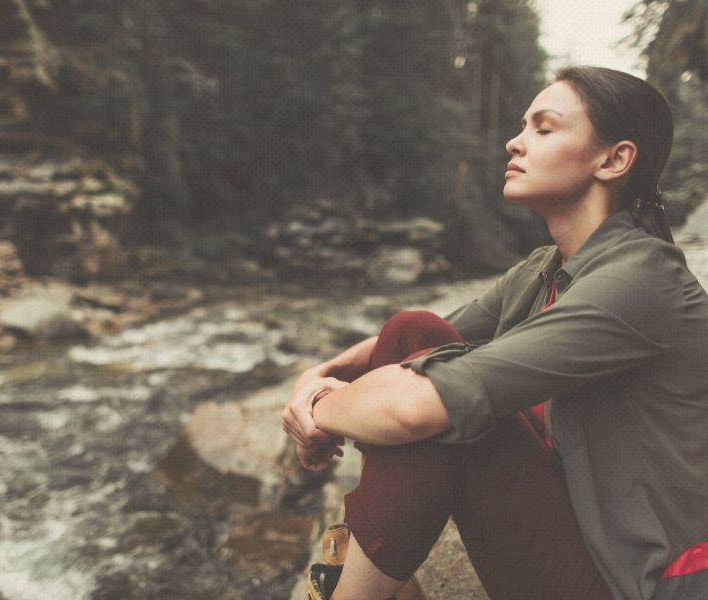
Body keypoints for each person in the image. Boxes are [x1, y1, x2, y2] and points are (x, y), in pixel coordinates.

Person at [282, 66, 708, 600]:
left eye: (544, 128)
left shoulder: (640, 281)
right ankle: (364, 586)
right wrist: (318, 374)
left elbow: (414, 407)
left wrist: (318, 409)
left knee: (441, 411)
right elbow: (410, 343)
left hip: (636, 584)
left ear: (615, 159)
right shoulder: (545, 268)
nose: (515, 141)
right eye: (522, 126)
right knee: (413, 330)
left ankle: (344, 592)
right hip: (571, 539)